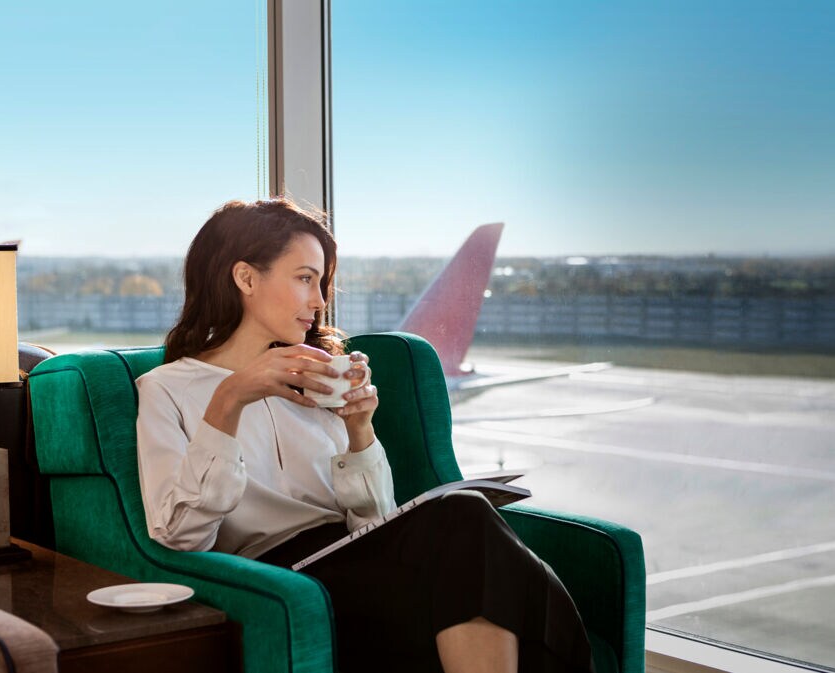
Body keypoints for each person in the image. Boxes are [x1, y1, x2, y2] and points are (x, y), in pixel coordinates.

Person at [135, 197, 594, 673]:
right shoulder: (167, 389)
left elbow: (371, 521)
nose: (319, 301)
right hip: (283, 582)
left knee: (472, 539)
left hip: (359, 562)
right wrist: (229, 400)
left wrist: (359, 430)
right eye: (305, 278)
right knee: (470, 525)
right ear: (246, 278)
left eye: (321, 283)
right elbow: (180, 536)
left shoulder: (319, 377)